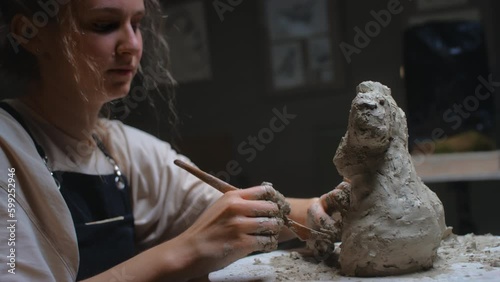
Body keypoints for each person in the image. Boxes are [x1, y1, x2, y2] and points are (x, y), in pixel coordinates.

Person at [0, 0, 348, 281]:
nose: (132, 45)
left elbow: (233, 208)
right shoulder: (8, 153)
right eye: (104, 25)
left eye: (136, 24)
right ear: (30, 32)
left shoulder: (120, 148)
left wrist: (335, 205)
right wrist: (189, 249)